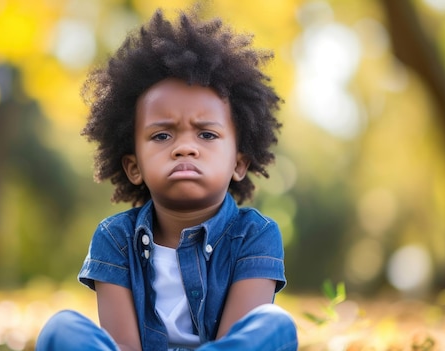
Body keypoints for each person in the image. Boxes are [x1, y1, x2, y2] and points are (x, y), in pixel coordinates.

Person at [36, 7, 298, 351]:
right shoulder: (114, 239)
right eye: (162, 136)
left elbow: (237, 341)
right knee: (60, 328)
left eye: (206, 135)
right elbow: (123, 346)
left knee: (275, 325)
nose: (184, 148)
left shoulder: (256, 235)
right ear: (134, 167)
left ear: (239, 162)